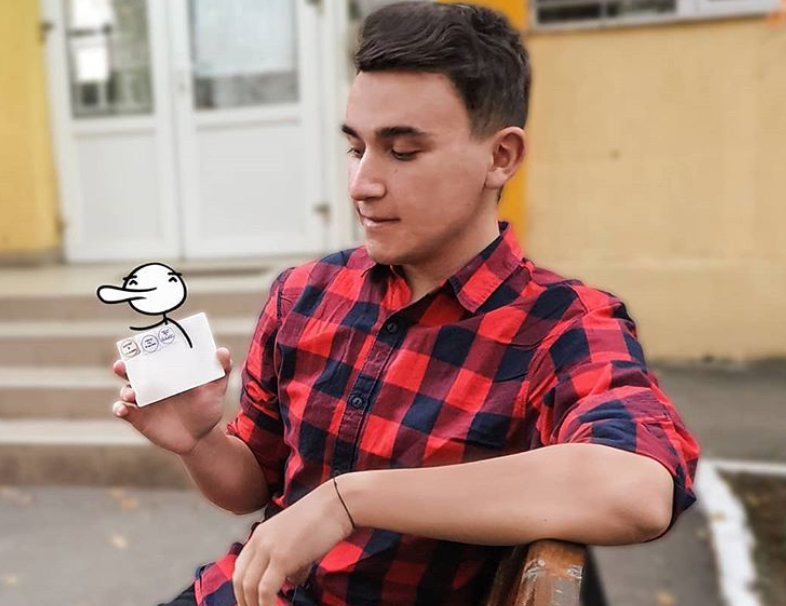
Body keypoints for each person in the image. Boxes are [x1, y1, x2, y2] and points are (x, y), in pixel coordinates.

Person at [111, 3, 701, 606]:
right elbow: (252, 487)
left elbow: (637, 490)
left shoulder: (562, 326)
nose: (361, 184)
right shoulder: (304, 294)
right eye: (356, 148)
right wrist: (201, 441)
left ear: (500, 157)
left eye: (402, 151)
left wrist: (350, 500)